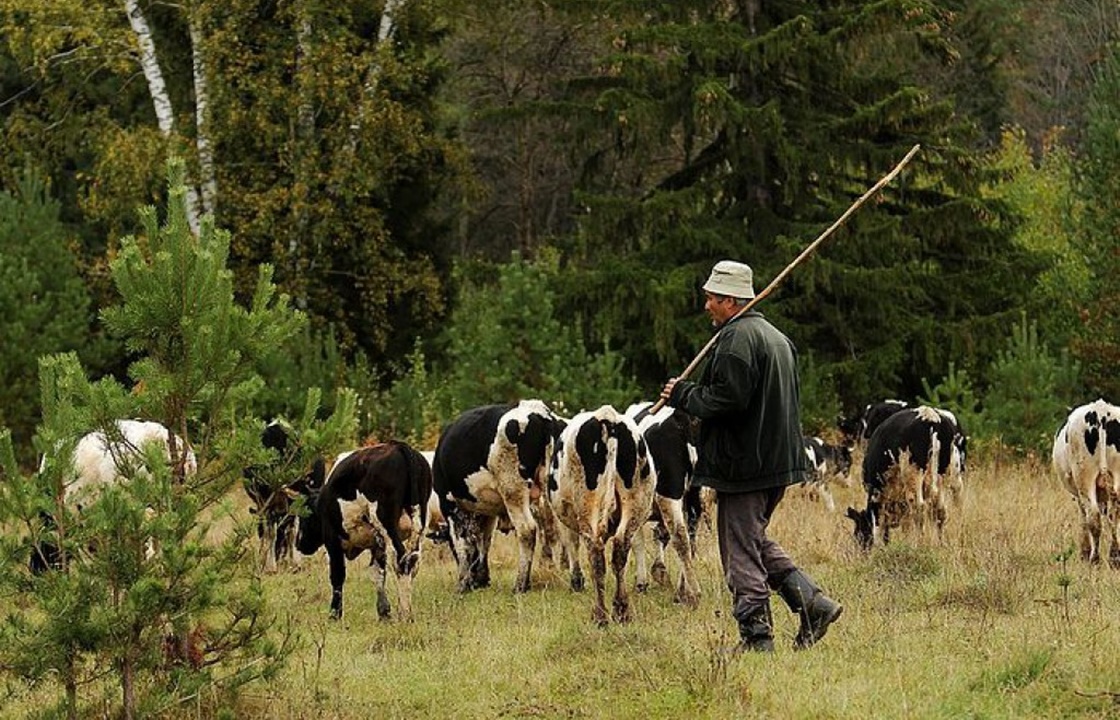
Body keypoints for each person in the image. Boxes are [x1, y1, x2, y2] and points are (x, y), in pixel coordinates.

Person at [660, 260, 842, 652]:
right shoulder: (777, 338)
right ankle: (812, 603)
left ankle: (756, 638)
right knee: (751, 538)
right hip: (777, 462)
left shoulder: (737, 340)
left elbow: (727, 400)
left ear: (730, 300)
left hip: (746, 464)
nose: (706, 305)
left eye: (711, 298)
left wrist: (682, 395)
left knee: (739, 548)